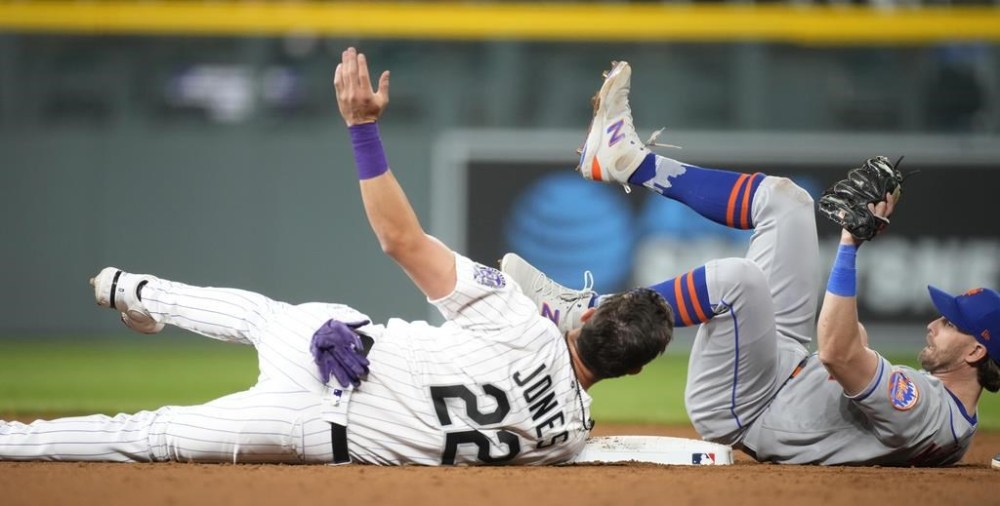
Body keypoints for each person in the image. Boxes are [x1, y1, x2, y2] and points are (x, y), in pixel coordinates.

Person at [0, 49, 673, 466]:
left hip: (340, 347)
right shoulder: (564, 443)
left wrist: (362, 130)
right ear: (631, 370)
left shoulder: (522, 321)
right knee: (153, 436)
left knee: (259, 315)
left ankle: (133, 290)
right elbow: (568, 408)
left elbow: (400, 240)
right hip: (316, 431)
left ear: (592, 315)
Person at [502, 60, 1000, 466]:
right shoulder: (948, 421)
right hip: (782, 365)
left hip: (748, 406)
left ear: (977, 353)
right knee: (788, 202)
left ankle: (578, 311)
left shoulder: (929, 410)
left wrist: (850, 244)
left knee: (736, 280)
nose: (935, 323)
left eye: (951, 322)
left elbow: (839, 353)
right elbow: (850, 356)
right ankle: (626, 160)